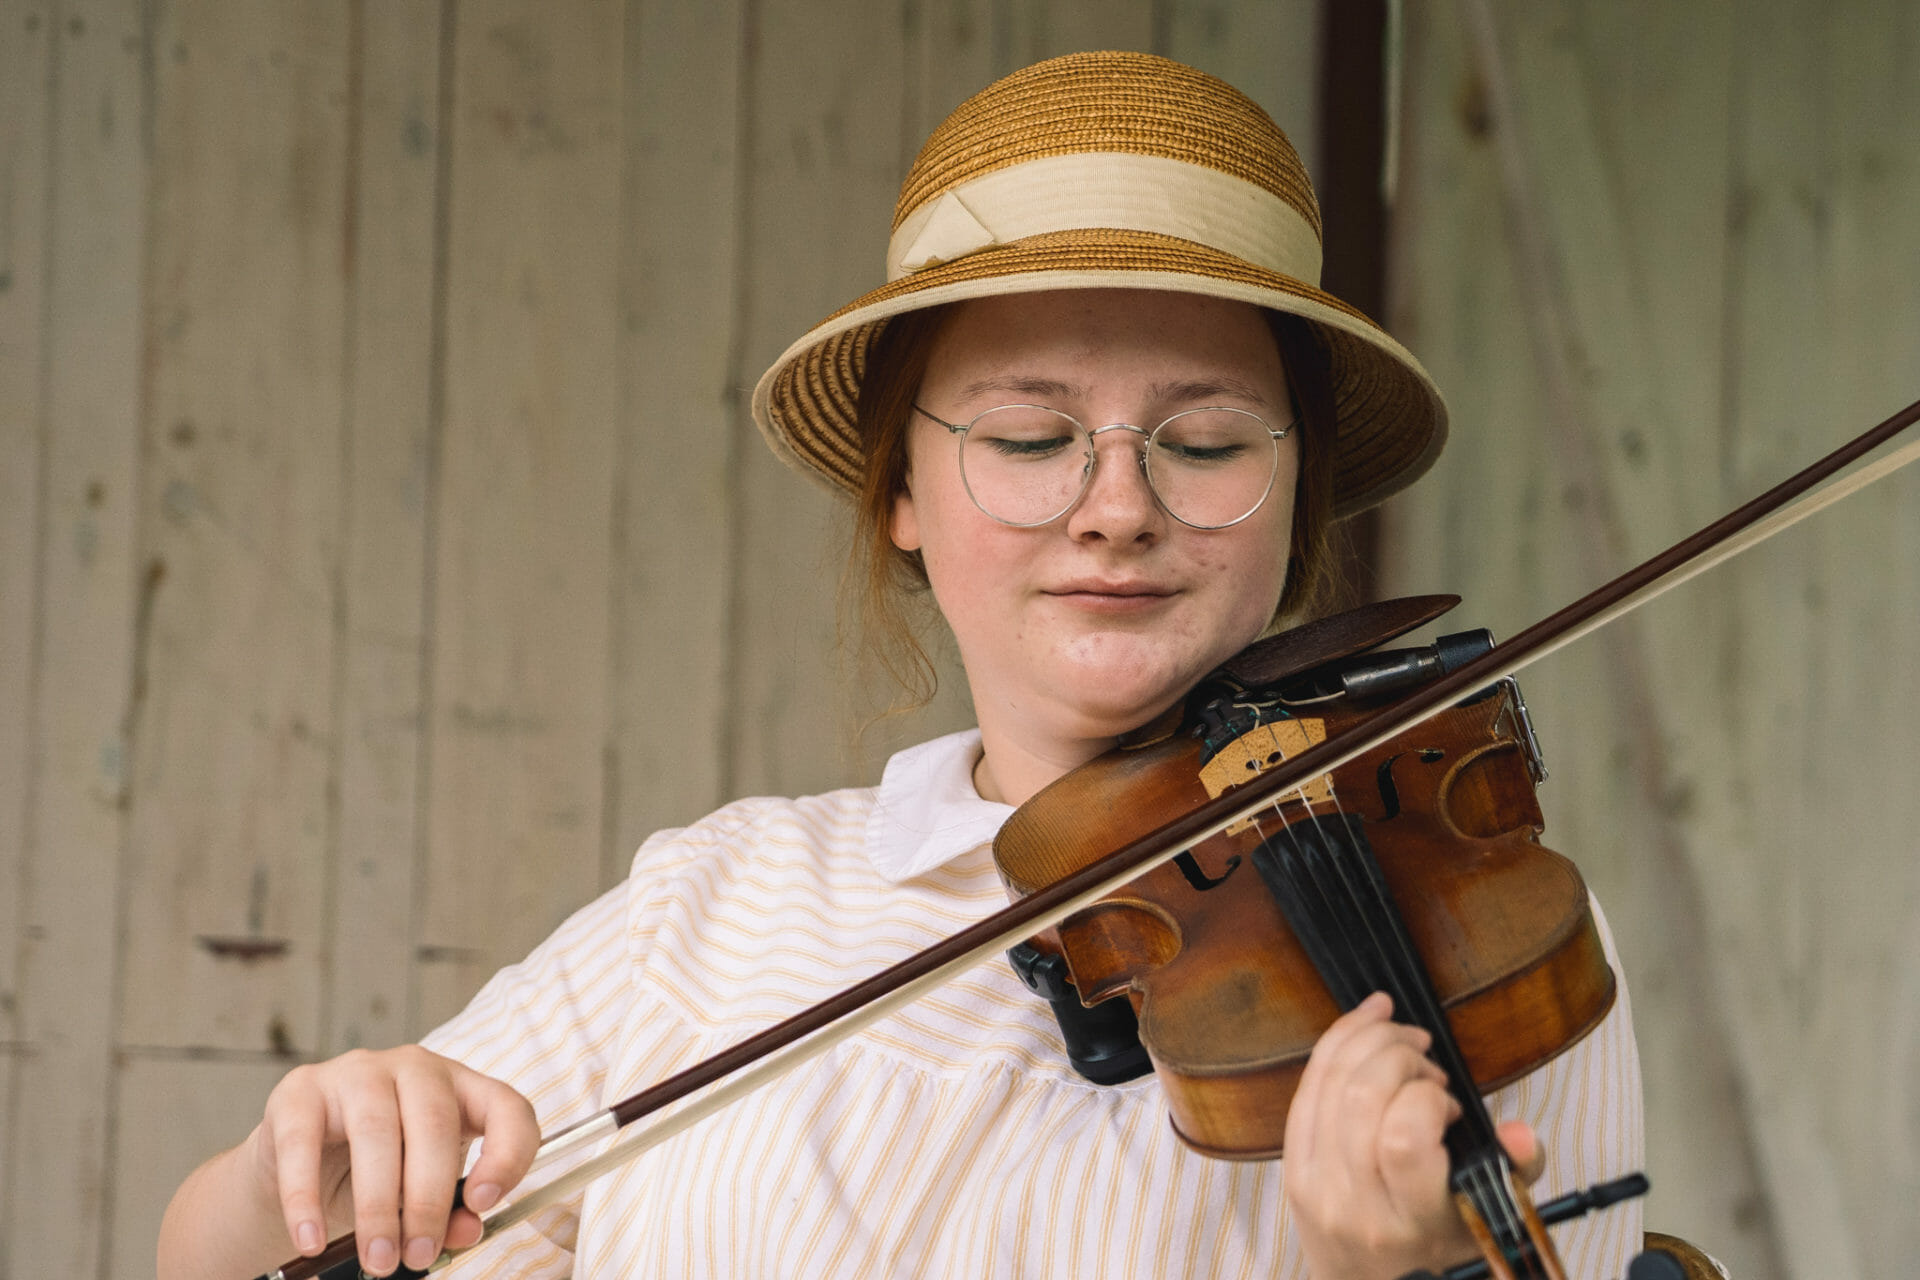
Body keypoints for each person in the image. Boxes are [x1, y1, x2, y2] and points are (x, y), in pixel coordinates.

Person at [158, 51, 1642, 1280]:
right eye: (1024, 437)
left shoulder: (1473, 937)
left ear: (1299, 498)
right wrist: (295, 1162)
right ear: (904, 496)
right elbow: (217, 1266)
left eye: (1202, 443)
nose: (1117, 506)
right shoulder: (715, 910)